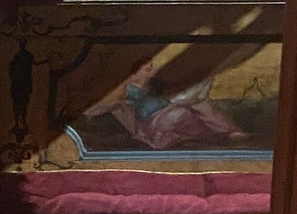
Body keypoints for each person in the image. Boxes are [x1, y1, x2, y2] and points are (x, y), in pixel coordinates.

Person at [102, 57, 249, 150]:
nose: (150, 71)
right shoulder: (128, 88)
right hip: (153, 121)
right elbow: (113, 101)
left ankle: (228, 135)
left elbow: (174, 88)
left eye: (151, 68)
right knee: (189, 109)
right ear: (137, 71)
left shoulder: (153, 85)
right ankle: (229, 132)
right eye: (147, 69)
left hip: (168, 112)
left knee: (193, 113)